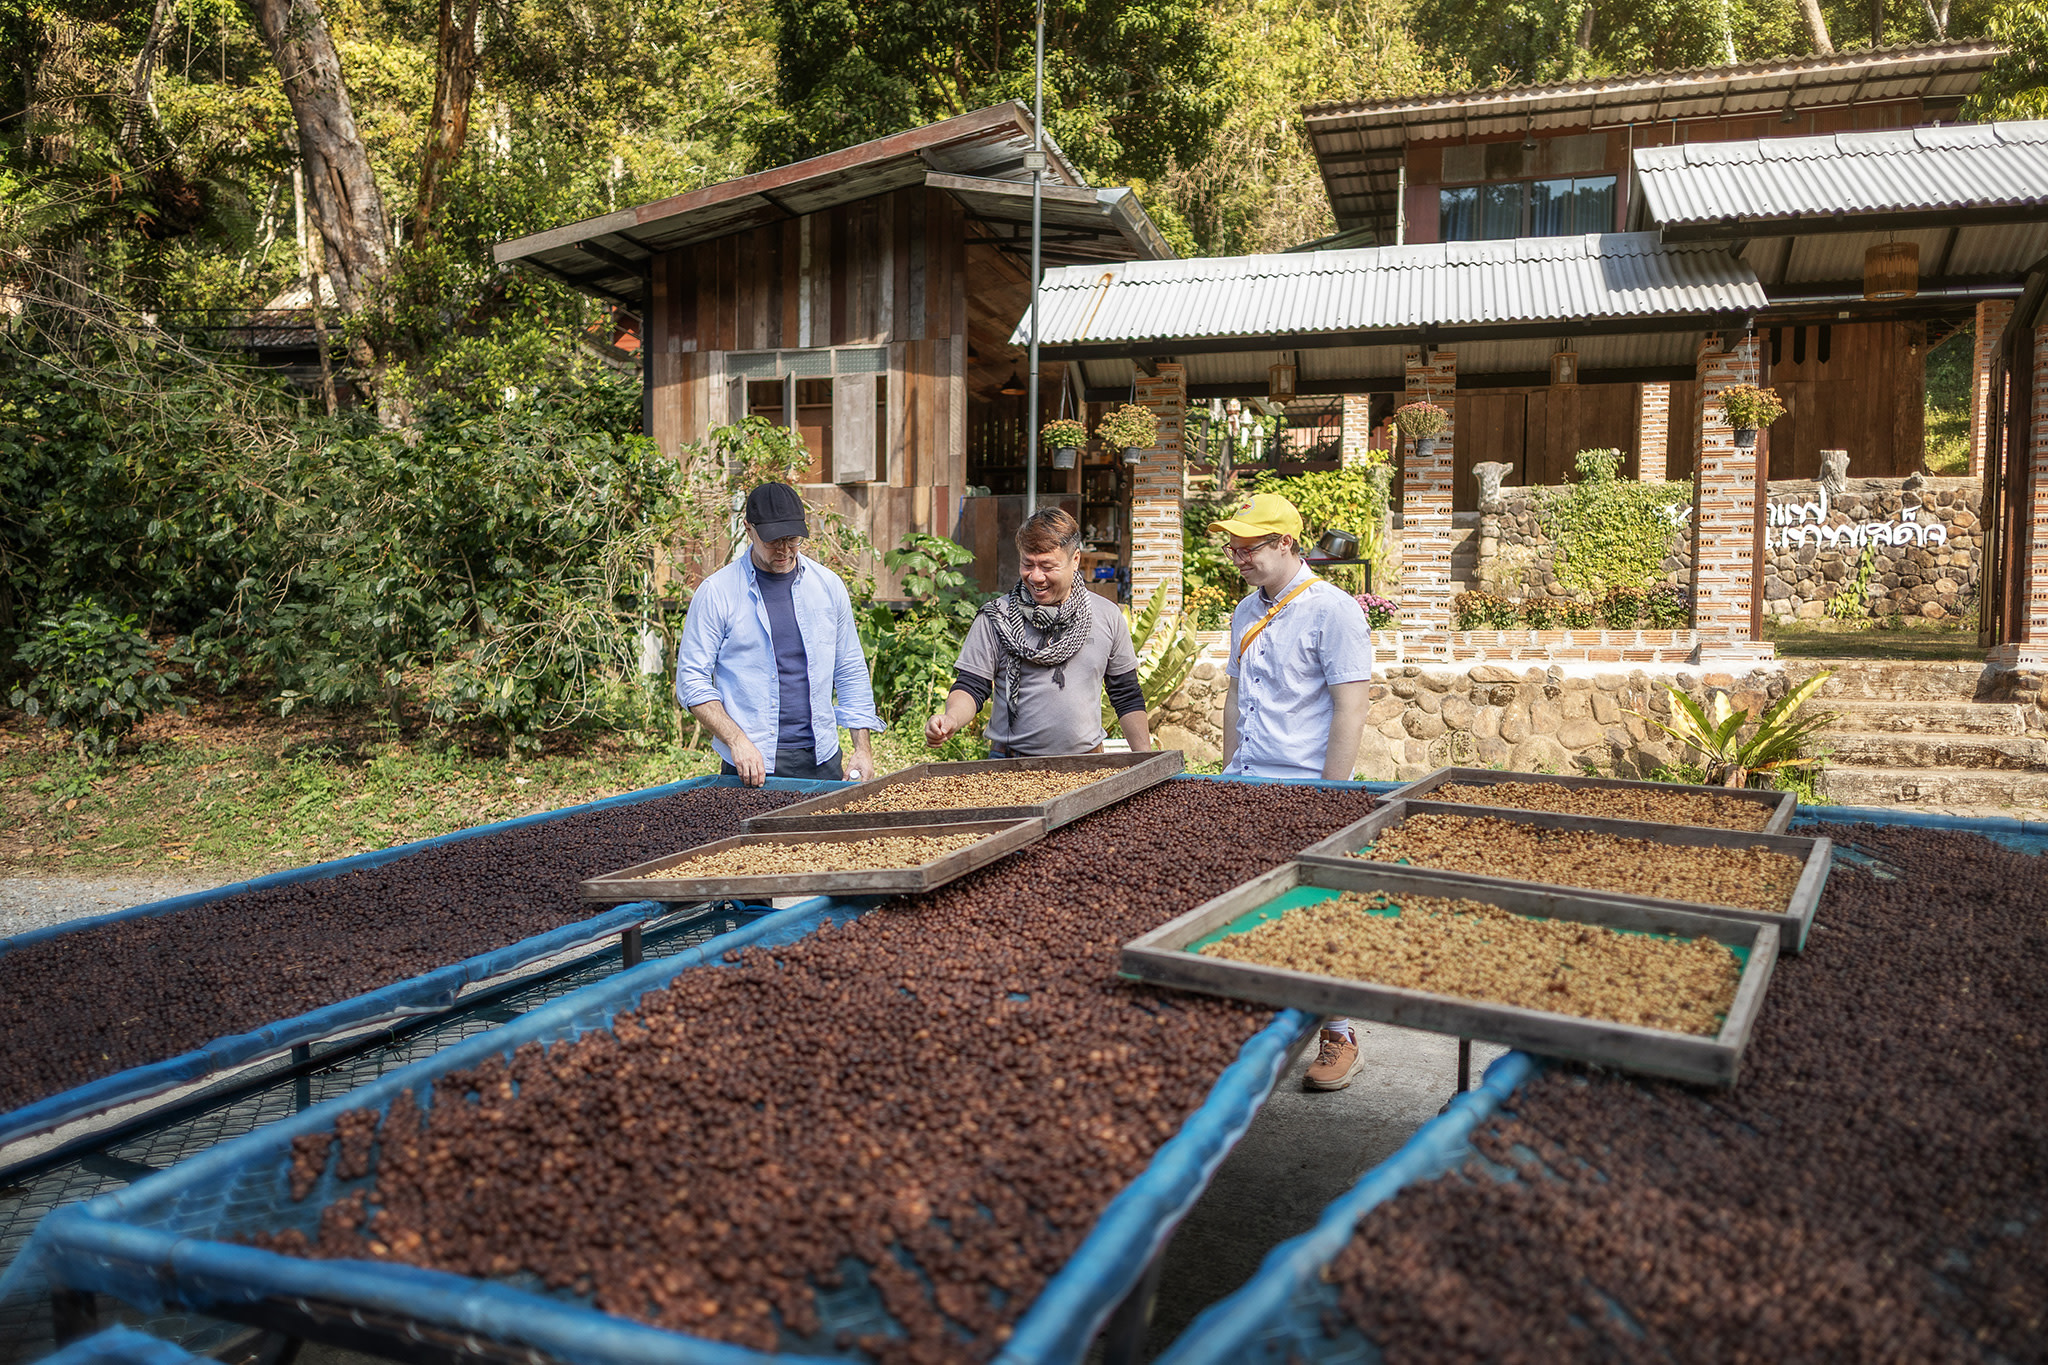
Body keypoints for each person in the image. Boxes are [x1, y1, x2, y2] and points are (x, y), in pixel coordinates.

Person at [1210, 491, 1375, 1090]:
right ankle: (1260, 1027)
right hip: (1248, 780)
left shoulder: (1333, 610)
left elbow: (1350, 708)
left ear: (1285, 544)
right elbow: (1234, 696)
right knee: (1245, 912)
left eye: (1249, 546)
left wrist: (1332, 798)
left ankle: (1340, 1032)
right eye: (1233, 546)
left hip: (1306, 785)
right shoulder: (1242, 612)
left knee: (1315, 913)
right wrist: (1227, 775)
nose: (1237, 556)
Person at [674, 482, 882, 784]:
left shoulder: (828, 586)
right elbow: (691, 681)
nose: (784, 549)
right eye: (773, 540)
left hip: (822, 756)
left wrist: (862, 748)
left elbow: (850, 669)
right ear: (748, 528)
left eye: (793, 538)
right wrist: (736, 741)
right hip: (749, 763)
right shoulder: (717, 593)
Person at [925, 507, 1152, 757]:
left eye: (1047, 566)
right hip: (1009, 765)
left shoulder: (1107, 616)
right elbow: (972, 686)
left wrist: (1146, 761)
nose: (1035, 576)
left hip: (1087, 765)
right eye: (1027, 564)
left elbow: (1126, 694)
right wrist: (951, 719)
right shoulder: (996, 617)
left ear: (1075, 560)